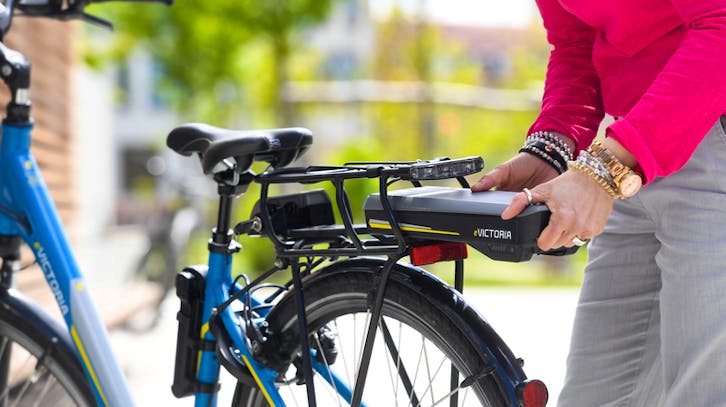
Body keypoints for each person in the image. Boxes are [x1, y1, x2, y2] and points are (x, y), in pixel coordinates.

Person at [471, 1, 725, 406]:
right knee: (593, 397)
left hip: (703, 139)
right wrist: (551, 148)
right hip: (629, 148)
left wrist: (608, 168)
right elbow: (576, 44)